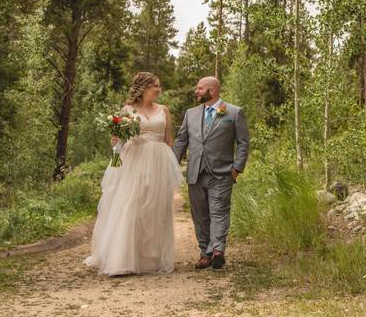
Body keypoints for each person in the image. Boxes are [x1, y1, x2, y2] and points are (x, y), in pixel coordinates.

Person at [84, 72, 183, 275]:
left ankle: (150, 259)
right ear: (145, 87)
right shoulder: (127, 110)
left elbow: (168, 140)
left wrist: (168, 164)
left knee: (155, 209)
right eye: (156, 85)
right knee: (131, 204)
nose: (159, 89)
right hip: (133, 161)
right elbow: (117, 140)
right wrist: (115, 158)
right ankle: (122, 259)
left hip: (158, 161)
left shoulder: (164, 110)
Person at [171, 76, 250, 270]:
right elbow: (182, 140)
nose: (196, 91)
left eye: (199, 88)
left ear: (212, 91)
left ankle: (217, 251)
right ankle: (204, 253)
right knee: (200, 215)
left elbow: (243, 142)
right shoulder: (190, 114)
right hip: (195, 172)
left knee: (219, 212)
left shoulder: (233, 112)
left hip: (222, 173)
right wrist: (171, 164)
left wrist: (236, 169)